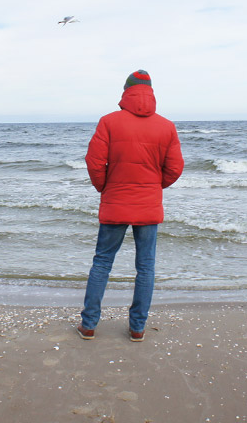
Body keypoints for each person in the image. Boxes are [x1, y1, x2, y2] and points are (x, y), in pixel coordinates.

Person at [78, 69, 184, 342]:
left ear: (126, 91)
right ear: (151, 92)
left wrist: (105, 186)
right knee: (146, 267)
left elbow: (94, 161)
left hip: (115, 202)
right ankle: (137, 328)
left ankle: (89, 325)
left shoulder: (109, 122)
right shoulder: (166, 126)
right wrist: (153, 187)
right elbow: (175, 168)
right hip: (148, 205)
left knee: (102, 263)